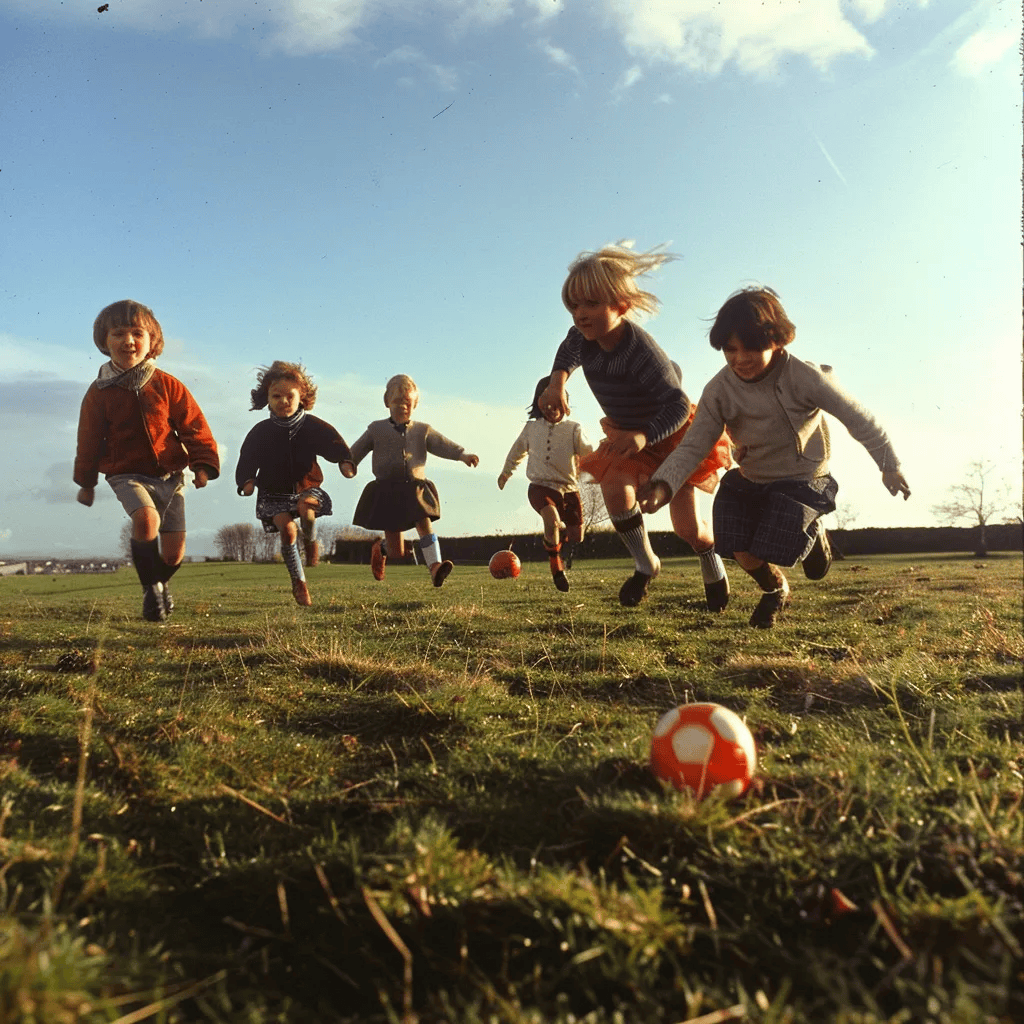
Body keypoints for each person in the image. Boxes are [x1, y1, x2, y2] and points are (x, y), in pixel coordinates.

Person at [638, 287, 911, 628]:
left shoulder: (804, 377)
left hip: (802, 479)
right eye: (730, 349)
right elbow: (694, 444)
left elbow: (857, 418)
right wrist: (663, 484)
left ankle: (813, 532)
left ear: (778, 340)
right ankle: (775, 590)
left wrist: (889, 464)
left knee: (775, 541)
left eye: (752, 348)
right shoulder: (719, 390)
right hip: (752, 479)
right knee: (740, 547)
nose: (740, 359)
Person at [539, 243, 732, 608]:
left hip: (671, 435)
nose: (580, 314)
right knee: (615, 488)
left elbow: (676, 405)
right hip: (627, 435)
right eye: (574, 305)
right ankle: (646, 564)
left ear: (621, 306)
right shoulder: (582, 335)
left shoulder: (640, 350)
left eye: (591, 304)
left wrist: (644, 436)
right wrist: (557, 382)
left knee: (689, 530)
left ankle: (711, 559)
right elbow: (568, 353)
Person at [74, 299, 220, 623]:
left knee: (174, 553)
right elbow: (87, 441)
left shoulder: (167, 384)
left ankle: (157, 584)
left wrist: (202, 464)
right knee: (145, 520)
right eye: (118, 333)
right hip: (126, 474)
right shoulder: (98, 392)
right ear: (104, 340)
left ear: (152, 341)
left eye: (137, 333)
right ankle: (152, 594)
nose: (128, 340)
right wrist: (86, 482)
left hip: (170, 476)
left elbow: (193, 425)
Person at [235, 361, 354, 607]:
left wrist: (344, 461)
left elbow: (333, 442)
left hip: (306, 487)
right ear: (266, 398)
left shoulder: (311, 426)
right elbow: (247, 458)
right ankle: (299, 582)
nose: (283, 401)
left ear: (302, 397)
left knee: (306, 510)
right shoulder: (261, 431)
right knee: (288, 531)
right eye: (276, 396)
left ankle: (311, 539)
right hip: (272, 494)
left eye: (290, 396)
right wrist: (246, 481)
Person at [342, 374, 478, 587]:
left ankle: (435, 567)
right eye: (397, 402)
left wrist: (462, 455)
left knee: (424, 522)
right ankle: (382, 548)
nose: (403, 407)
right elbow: (356, 450)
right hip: (387, 490)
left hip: (415, 488)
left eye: (408, 403)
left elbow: (442, 444)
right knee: (397, 551)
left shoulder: (423, 430)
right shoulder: (376, 429)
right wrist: (349, 464)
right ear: (387, 402)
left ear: (415, 404)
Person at [498, 377, 595, 591]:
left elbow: (588, 453)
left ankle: (559, 547)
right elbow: (516, 451)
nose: (552, 409)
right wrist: (506, 473)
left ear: (565, 403)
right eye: (546, 404)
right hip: (540, 486)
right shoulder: (531, 429)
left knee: (577, 536)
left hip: (568, 490)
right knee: (551, 522)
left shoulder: (574, 429)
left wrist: (602, 463)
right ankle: (556, 568)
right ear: (539, 405)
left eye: (557, 403)